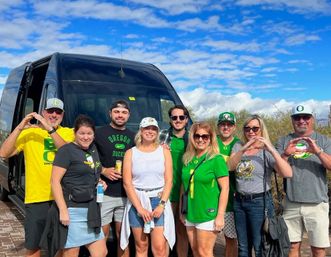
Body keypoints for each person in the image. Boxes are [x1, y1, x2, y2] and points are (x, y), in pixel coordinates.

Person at [0, 98, 74, 257]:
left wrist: (49, 129)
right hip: (36, 198)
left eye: (58, 112)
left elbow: (67, 152)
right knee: (33, 247)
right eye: (50, 111)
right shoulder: (29, 133)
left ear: (63, 115)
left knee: (61, 245)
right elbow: (4, 153)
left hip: (62, 198)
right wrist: (20, 127)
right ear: (43, 112)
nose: (54, 115)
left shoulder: (68, 132)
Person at [228, 115, 292, 257]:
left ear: (261, 130)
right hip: (239, 201)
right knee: (243, 246)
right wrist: (245, 147)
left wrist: (271, 149)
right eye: (247, 128)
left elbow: (287, 173)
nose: (251, 132)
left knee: (260, 246)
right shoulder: (238, 146)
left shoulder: (266, 151)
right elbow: (230, 167)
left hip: (259, 202)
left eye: (255, 128)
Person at [275, 104, 331, 257]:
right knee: (292, 247)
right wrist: (285, 155)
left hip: (317, 204)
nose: (301, 121)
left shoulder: (323, 140)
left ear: (312, 119)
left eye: (305, 117)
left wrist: (317, 151)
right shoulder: (283, 141)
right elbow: (278, 171)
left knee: (318, 249)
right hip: (291, 203)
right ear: (292, 120)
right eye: (297, 117)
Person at [51, 114, 107, 257]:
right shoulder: (66, 151)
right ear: (74, 133)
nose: (86, 137)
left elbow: (93, 171)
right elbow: (54, 181)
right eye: (82, 133)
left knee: (101, 252)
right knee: (71, 253)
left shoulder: (92, 149)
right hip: (72, 210)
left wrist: (99, 181)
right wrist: (63, 210)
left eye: (89, 133)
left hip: (91, 208)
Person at [120, 117, 175, 256]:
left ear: (157, 132)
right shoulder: (130, 153)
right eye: (146, 128)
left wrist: (161, 204)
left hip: (158, 199)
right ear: (141, 130)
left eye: (153, 129)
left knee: (159, 248)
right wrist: (139, 208)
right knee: (141, 246)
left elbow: (169, 180)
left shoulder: (164, 152)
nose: (150, 131)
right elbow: (127, 183)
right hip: (137, 201)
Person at [181, 121, 229, 257]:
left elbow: (225, 188)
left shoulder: (216, 159)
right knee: (195, 251)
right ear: (192, 137)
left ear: (211, 138)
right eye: (197, 136)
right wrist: (182, 211)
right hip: (190, 212)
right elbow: (183, 186)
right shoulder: (187, 158)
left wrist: (220, 216)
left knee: (204, 252)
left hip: (208, 213)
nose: (200, 139)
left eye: (205, 136)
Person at [94, 100, 135, 257]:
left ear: (128, 115)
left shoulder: (134, 137)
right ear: (110, 113)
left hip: (126, 195)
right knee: (101, 237)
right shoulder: (98, 133)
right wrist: (103, 170)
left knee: (123, 238)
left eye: (124, 112)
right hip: (104, 194)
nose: (120, 115)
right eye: (117, 112)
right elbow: (87, 158)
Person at [161, 105, 190, 257]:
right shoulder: (162, 136)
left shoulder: (193, 138)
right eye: (174, 117)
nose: (177, 120)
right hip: (167, 192)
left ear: (186, 119)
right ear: (170, 120)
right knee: (165, 231)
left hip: (186, 192)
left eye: (181, 117)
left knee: (182, 231)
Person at [216, 112, 240, 257]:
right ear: (218, 126)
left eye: (229, 125)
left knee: (230, 238)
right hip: (211, 196)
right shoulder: (211, 141)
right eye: (223, 124)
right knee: (207, 237)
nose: (226, 127)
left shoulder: (239, 144)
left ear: (234, 127)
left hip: (231, 198)